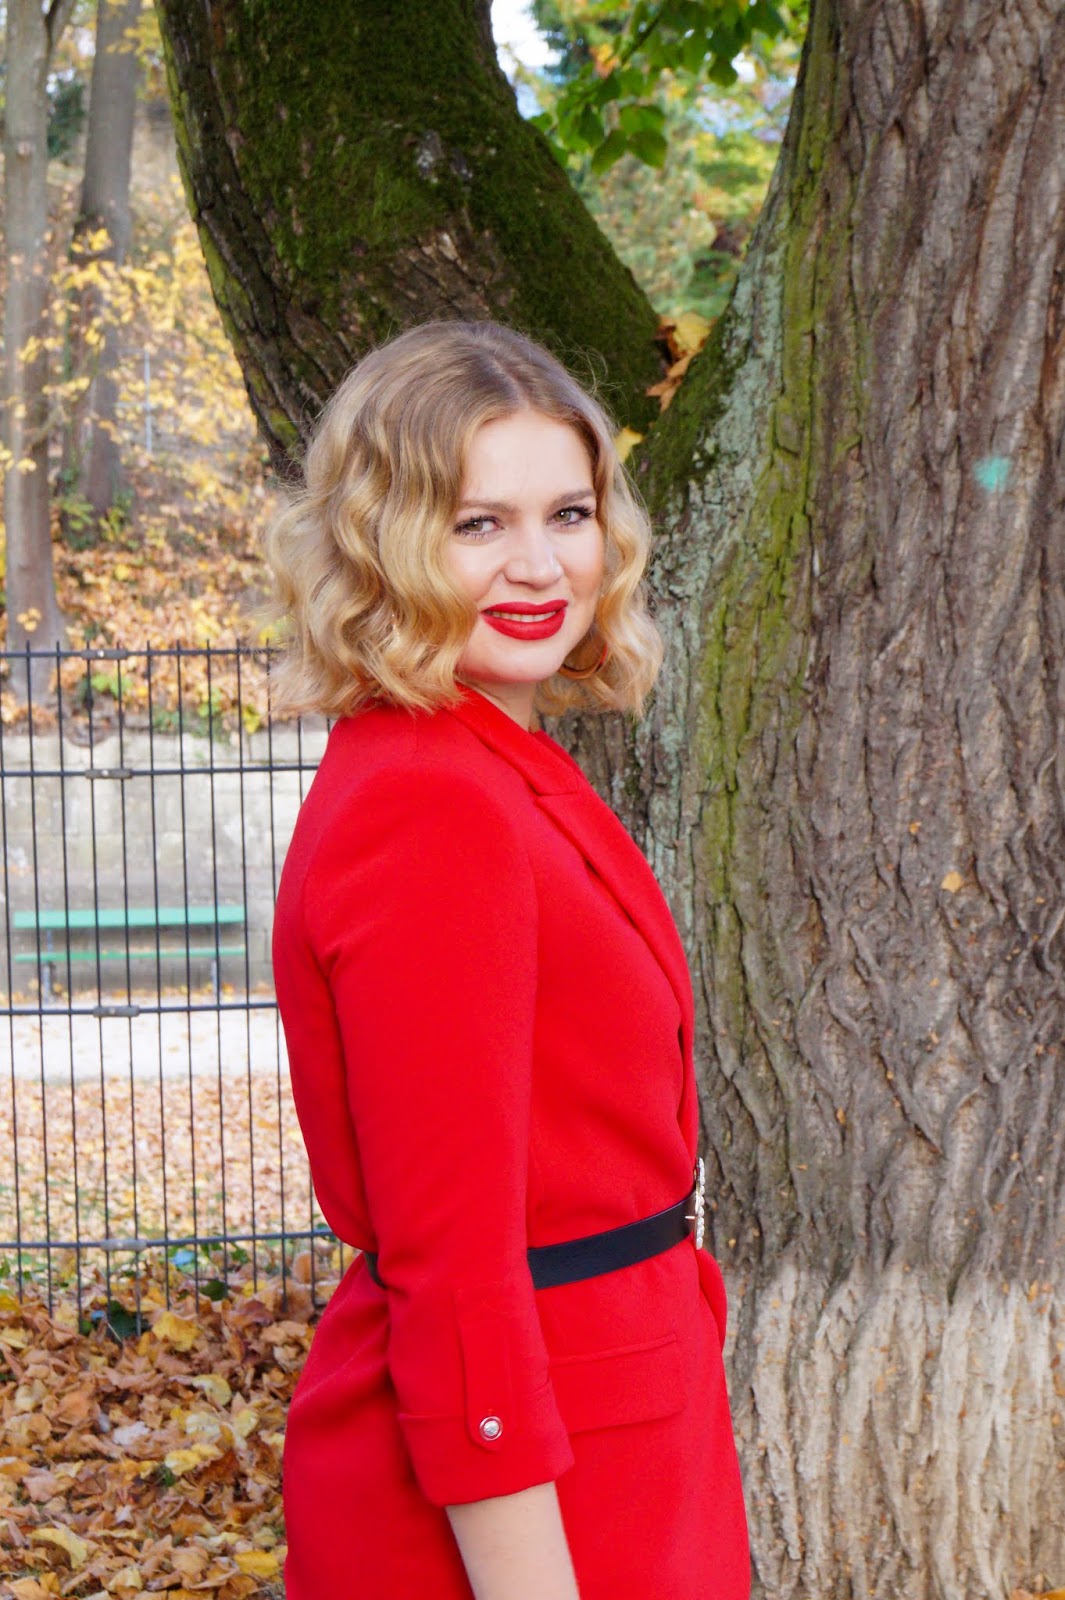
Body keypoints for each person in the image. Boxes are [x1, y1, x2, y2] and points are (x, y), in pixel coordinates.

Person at [266, 320, 750, 1600]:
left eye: (567, 513)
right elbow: (454, 1265)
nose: (539, 565)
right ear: (383, 542)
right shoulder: (430, 804)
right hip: (534, 1481)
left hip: (616, 1414)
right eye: (478, 523)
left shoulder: (486, 764)